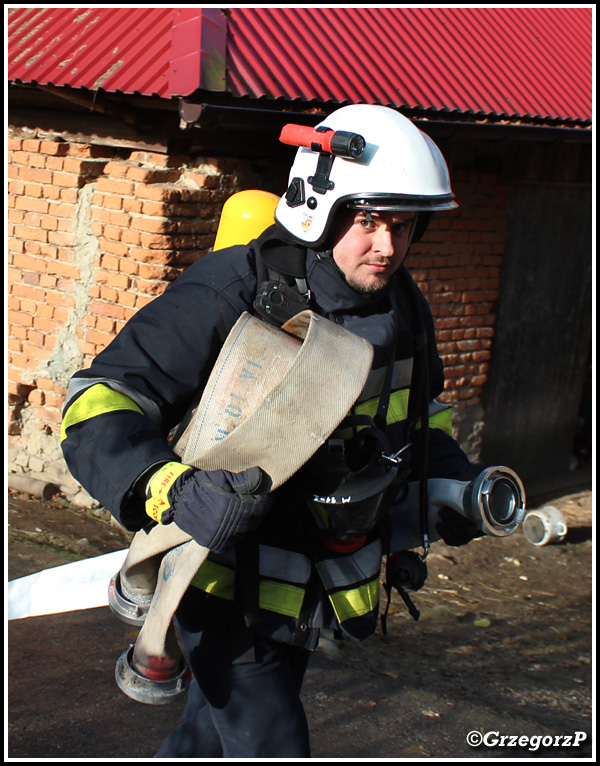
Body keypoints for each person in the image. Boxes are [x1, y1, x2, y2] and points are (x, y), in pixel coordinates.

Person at [61, 104, 481, 758]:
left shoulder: (403, 305)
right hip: (218, 581)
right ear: (321, 206)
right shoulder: (235, 290)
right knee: (272, 745)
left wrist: (455, 483)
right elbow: (100, 401)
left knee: (207, 737)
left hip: (314, 586)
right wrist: (174, 491)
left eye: (403, 225)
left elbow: (417, 417)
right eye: (369, 221)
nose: (388, 247)